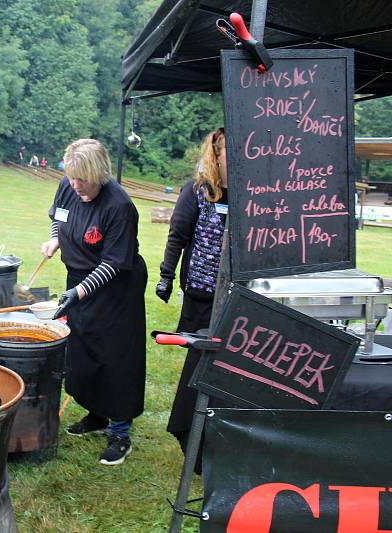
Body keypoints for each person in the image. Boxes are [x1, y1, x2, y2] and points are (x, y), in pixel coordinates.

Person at [42, 139, 147, 466]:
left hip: (116, 288)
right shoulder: (68, 185)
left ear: (99, 174)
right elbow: (58, 216)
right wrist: (55, 239)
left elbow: (113, 263)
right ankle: (97, 414)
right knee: (84, 350)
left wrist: (79, 292)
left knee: (115, 357)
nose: (76, 186)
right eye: (72, 178)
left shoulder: (119, 206)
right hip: (80, 282)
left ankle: (120, 432)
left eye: (83, 180)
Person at [156, 127, 228, 466]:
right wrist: (166, 276)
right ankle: (190, 438)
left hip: (236, 299)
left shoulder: (251, 193)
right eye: (230, 151)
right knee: (197, 368)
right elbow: (178, 235)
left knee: (228, 370)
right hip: (201, 296)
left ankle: (221, 440)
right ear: (216, 155)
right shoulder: (198, 191)